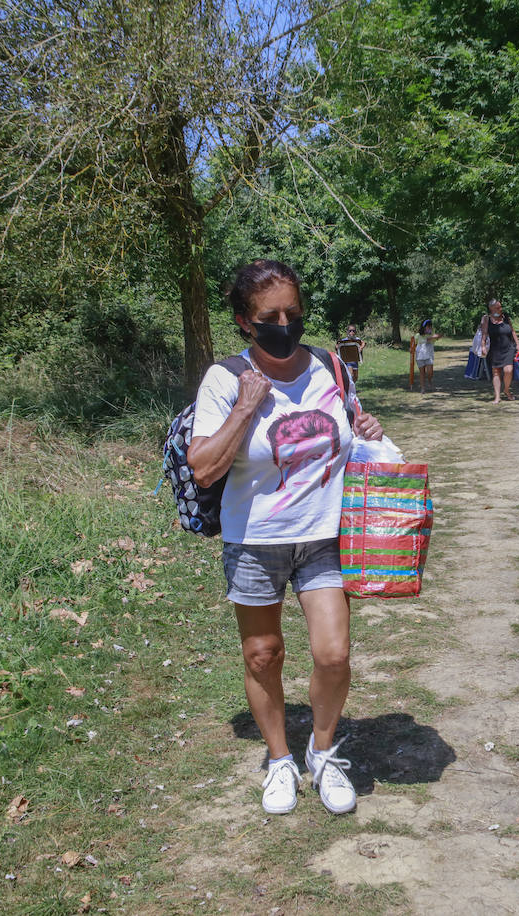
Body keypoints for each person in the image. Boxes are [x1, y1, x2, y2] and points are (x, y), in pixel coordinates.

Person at [189, 259, 385, 817]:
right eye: (269, 316)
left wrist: (366, 427)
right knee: (262, 654)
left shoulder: (328, 366)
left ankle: (322, 753)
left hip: (324, 535)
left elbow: (350, 428)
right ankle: (279, 760)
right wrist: (248, 406)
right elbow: (203, 467)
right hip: (254, 540)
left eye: (293, 313)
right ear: (244, 322)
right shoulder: (226, 380)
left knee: (333, 654)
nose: (284, 324)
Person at [478, 298, 519, 403]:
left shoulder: (506, 317)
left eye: (500, 307)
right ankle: (497, 396)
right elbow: (484, 333)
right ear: (491, 308)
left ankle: (506, 390)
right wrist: (483, 345)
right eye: (497, 307)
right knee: (496, 372)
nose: (500, 309)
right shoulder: (487, 319)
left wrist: (518, 344)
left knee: (508, 370)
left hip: (508, 348)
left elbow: (512, 331)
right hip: (494, 349)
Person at [413, 318, 442, 393]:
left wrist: (434, 336)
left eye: (430, 326)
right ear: (423, 327)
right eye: (427, 326)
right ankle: (423, 388)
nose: (429, 327)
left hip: (429, 356)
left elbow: (439, 336)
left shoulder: (432, 335)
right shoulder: (418, 335)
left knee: (430, 372)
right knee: (422, 373)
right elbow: (415, 343)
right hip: (420, 356)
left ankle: (429, 380)